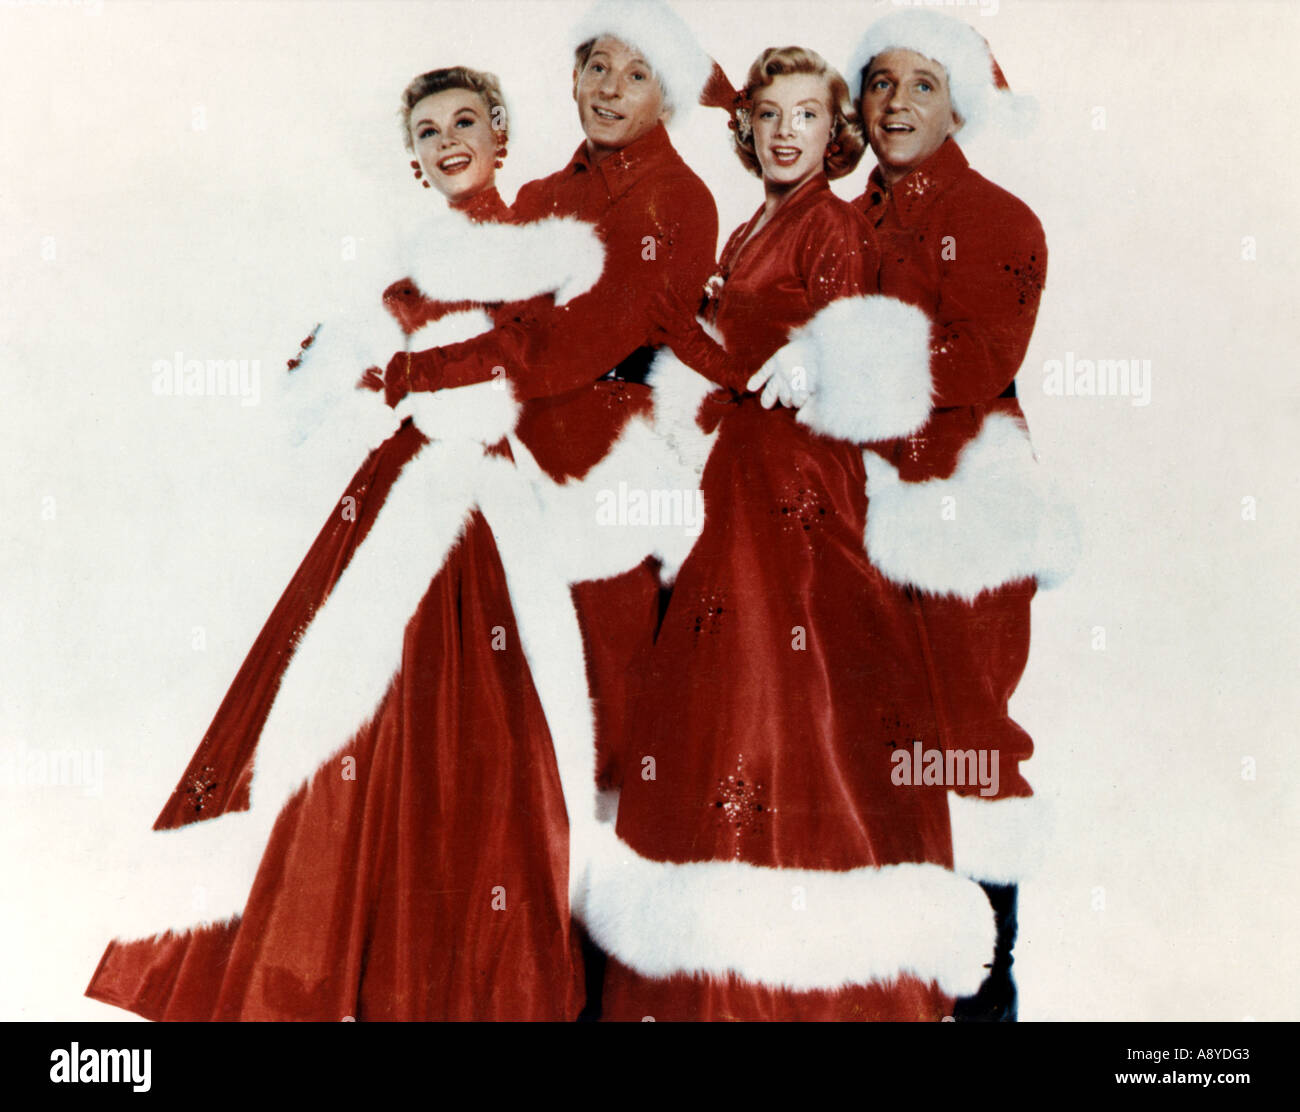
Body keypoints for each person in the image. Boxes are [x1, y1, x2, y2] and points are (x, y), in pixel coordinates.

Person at [84, 65, 612, 1021]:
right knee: (343, 718)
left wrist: (403, 366)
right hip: (401, 492)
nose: (446, 141)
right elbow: (369, 370)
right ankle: (333, 965)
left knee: (483, 741)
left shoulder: (542, 248)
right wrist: (344, 364)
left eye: (464, 122)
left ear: (501, 136)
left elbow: (530, 359)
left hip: (488, 503)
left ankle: (462, 977)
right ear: (413, 162)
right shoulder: (411, 274)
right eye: (426, 131)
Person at [578, 46, 998, 1021]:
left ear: (832, 132)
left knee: (787, 697)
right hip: (740, 476)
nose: (781, 130)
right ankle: (709, 968)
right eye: (768, 113)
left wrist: (822, 355)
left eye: (804, 115)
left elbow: (865, 341)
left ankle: (800, 979)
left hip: (794, 490)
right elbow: (722, 348)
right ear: (746, 126)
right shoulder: (753, 221)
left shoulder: (832, 227)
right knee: (725, 700)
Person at [753, 10, 1077, 1019]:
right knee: (853, 745)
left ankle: (982, 993)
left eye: (922, 85)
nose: (895, 103)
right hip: (843, 520)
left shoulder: (999, 220)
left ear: (960, 102)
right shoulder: (836, 214)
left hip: (953, 520)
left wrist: (834, 363)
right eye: (881, 83)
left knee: (959, 743)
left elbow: (977, 360)